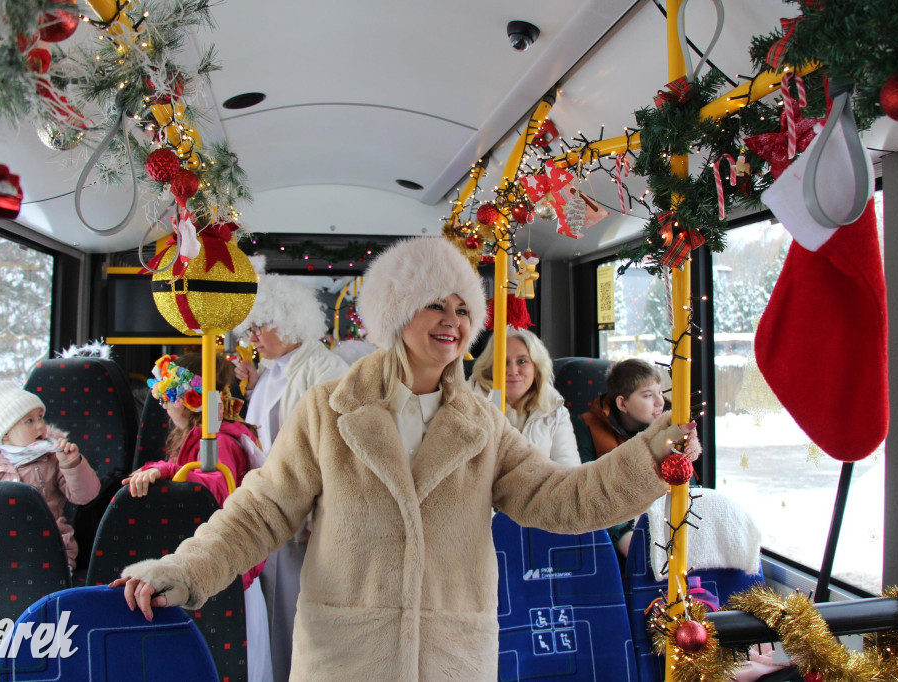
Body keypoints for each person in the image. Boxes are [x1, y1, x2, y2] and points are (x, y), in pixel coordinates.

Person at [113, 237, 698, 680]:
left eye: (463, 309)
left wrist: (649, 456)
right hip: (346, 654)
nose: (452, 321)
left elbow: (560, 499)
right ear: (396, 311)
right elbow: (260, 510)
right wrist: (184, 571)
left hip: (451, 655)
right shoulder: (328, 410)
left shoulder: (482, 425)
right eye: (434, 305)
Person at [123, 352, 272, 682]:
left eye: (168, 393)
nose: (161, 402)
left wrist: (168, 474)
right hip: (208, 567)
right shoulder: (197, 438)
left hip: (227, 573)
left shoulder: (219, 442)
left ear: (191, 397)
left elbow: (216, 490)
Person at [231, 274, 348, 682]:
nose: (253, 336)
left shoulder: (326, 370)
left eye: (260, 325)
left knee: (298, 620)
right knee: (271, 617)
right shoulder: (271, 371)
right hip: (268, 510)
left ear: (288, 321)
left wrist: (320, 520)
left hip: (304, 519)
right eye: (250, 327)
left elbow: (335, 458)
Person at [0, 371, 100, 572]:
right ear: (5, 434)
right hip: (1, 550)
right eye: (29, 421)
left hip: (51, 547)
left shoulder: (53, 456)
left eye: (40, 416)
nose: (41, 425)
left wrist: (72, 464)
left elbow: (86, 495)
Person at [573, 357, 669, 556]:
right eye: (648, 396)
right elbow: (589, 489)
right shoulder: (587, 428)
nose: (660, 402)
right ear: (622, 404)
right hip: (613, 527)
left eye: (660, 393)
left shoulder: (667, 430)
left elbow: (686, 484)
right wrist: (621, 535)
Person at [468, 327, 580, 466]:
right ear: (490, 368)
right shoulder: (467, 406)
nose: (513, 371)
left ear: (536, 368)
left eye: (522, 361)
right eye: (503, 362)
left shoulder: (555, 411)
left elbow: (568, 471)